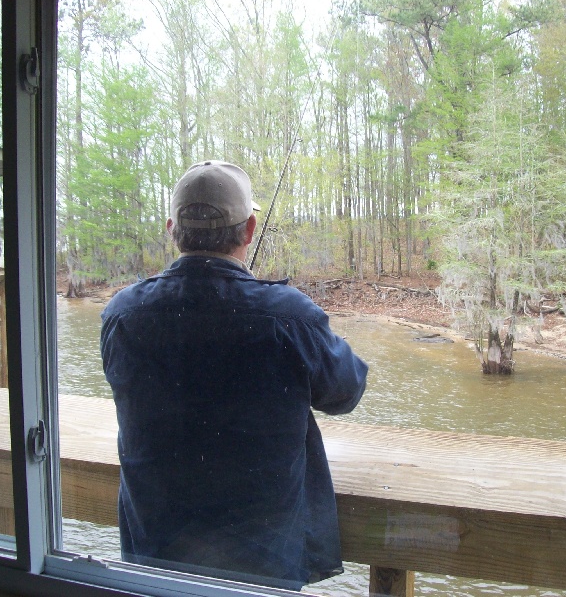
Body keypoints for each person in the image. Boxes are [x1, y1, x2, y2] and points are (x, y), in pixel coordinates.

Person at [100, 160, 368, 590]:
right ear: (249, 231)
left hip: (155, 562)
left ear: (172, 228)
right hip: (261, 569)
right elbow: (346, 391)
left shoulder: (123, 314)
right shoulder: (288, 316)